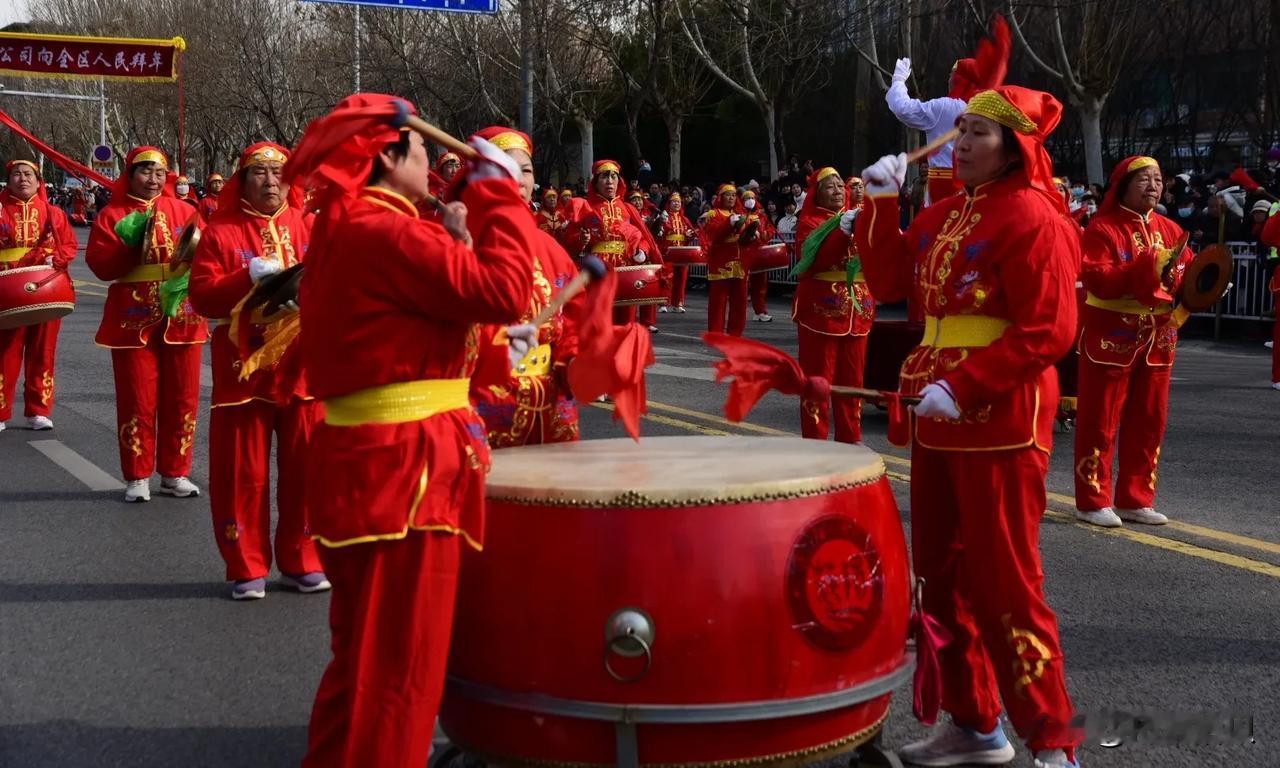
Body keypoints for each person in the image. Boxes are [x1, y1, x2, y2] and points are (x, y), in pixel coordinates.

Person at [289, 94, 537, 768]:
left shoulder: (356, 229)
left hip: (376, 465)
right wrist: (501, 198)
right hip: (406, 475)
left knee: (364, 667)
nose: (433, 162)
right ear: (388, 154)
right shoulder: (387, 232)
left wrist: (458, 231)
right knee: (397, 676)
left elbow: (427, 325)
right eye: (423, 150)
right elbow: (506, 289)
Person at [858, 86, 1082, 768]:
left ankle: (1055, 742)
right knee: (941, 578)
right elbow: (890, 280)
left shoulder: (1034, 218)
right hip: (938, 415)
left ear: (1015, 146)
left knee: (1007, 581)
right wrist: (879, 202)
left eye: (979, 132)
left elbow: (1050, 330)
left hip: (1002, 417)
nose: (962, 141)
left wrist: (966, 383)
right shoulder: (946, 213)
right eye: (962, 130)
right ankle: (974, 722)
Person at [188, 141, 328, 601]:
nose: (271, 181)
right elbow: (203, 297)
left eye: (278, 173)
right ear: (241, 180)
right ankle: (246, 564)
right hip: (242, 366)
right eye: (259, 173)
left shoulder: (311, 224)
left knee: (307, 466)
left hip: (306, 363)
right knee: (241, 470)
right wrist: (243, 276)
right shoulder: (220, 231)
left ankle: (302, 558)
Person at [1073, 156, 1195, 529]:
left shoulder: (1173, 230)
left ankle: (1136, 498)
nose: (1154, 185)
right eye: (1144, 179)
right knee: (1101, 418)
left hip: (1159, 335)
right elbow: (1097, 278)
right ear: (1122, 185)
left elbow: (1186, 274)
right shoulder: (1103, 228)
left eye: (1158, 179)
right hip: (1111, 332)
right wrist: (1145, 267)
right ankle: (1092, 498)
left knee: (1150, 419)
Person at [86, 146, 205, 502]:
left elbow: (209, 254)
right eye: (144, 172)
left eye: (158, 173)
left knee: (183, 397)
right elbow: (101, 266)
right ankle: (137, 475)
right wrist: (131, 245)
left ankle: (175, 472)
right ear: (130, 174)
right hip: (132, 318)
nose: (152, 180)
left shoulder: (186, 211)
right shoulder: (112, 215)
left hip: (182, 314)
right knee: (137, 397)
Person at [470, 125, 582, 447]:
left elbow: (575, 318)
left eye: (526, 170)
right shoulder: (457, 241)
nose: (518, 180)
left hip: (551, 403)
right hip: (485, 401)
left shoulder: (552, 250)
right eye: (505, 169)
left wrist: (574, 359)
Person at [791, 167, 874, 442]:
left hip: (858, 312)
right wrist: (842, 232)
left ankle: (850, 441)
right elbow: (815, 261)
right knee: (818, 383)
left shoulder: (858, 217)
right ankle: (816, 444)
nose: (838, 191)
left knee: (852, 385)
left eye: (841, 186)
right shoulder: (810, 223)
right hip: (821, 314)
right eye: (830, 187)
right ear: (817, 194)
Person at [0, 159, 77, 432]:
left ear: (38, 180)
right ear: (8, 180)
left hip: (44, 291)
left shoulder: (52, 213)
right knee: (5, 352)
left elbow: (68, 245)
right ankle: (0, 411)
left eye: (28, 174)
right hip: (8, 293)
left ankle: (39, 410)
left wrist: (56, 258)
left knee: (43, 352)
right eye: (16, 175)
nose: (22, 179)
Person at [563, 159, 660, 327]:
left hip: (626, 269)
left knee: (626, 323)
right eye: (604, 177)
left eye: (614, 177)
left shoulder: (627, 208)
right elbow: (568, 241)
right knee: (600, 325)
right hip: (598, 272)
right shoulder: (585, 207)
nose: (609, 181)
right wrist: (581, 240)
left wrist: (641, 251)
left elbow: (644, 237)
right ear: (595, 181)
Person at [700, 183, 750, 336]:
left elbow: (745, 237)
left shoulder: (740, 214)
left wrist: (751, 235)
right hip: (721, 261)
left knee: (740, 301)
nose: (731, 198)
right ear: (721, 197)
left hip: (739, 262)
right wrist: (729, 224)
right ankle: (715, 332)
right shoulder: (713, 214)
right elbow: (713, 235)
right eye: (728, 195)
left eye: (734, 195)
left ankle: (736, 332)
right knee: (718, 300)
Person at [657, 192, 696, 314]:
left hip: (682, 253)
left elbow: (693, 233)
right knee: (666, 277)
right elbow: (658, 233)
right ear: (669, 203)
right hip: (668, 251)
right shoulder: (664, 217)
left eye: (678, 202)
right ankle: (663, 303)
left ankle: (678, 303)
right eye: (674, 201)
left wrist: (689, 235)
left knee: (682, 278)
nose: (676, 203)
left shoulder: (684, 219)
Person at [741, 189, 776, 322]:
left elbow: (770, 230)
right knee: (742, 285)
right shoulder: (739, 215)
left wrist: (763, 235)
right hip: (744, 254)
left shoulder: (761, 215)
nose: (750, 200)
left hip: (759, 253)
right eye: (746, 198)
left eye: (752, 197)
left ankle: (760, 311)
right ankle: (739, 311)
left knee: (760, 284)